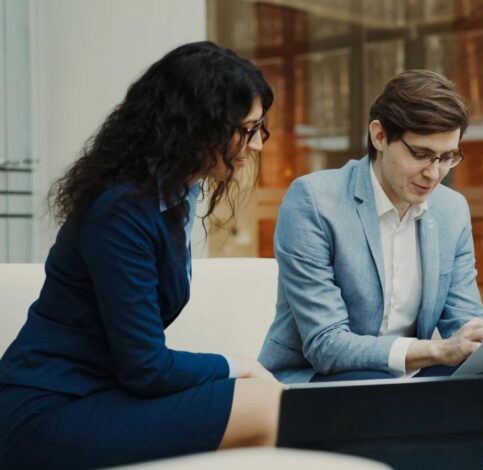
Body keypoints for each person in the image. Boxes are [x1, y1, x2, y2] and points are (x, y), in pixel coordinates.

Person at [0, 42, 282, 468]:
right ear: (196, 126)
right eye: (247, 129)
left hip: (103, 395)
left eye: (260, 128)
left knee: (265, 401)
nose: (257, 144)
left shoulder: (173, 199)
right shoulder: (121, 211)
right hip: (46, 412)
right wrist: (235, 364)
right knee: (265, 403)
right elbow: (147, 368)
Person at [259, 69, 483, 430]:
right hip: (317, 380)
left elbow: (464, 323)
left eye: (447, 157)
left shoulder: (451, 209)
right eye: (422, 154)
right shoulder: (315, 200)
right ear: (379, 136)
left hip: (412, 379)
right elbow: (326, 345)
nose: (435, 173)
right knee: (398, 405)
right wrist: (438, 352)